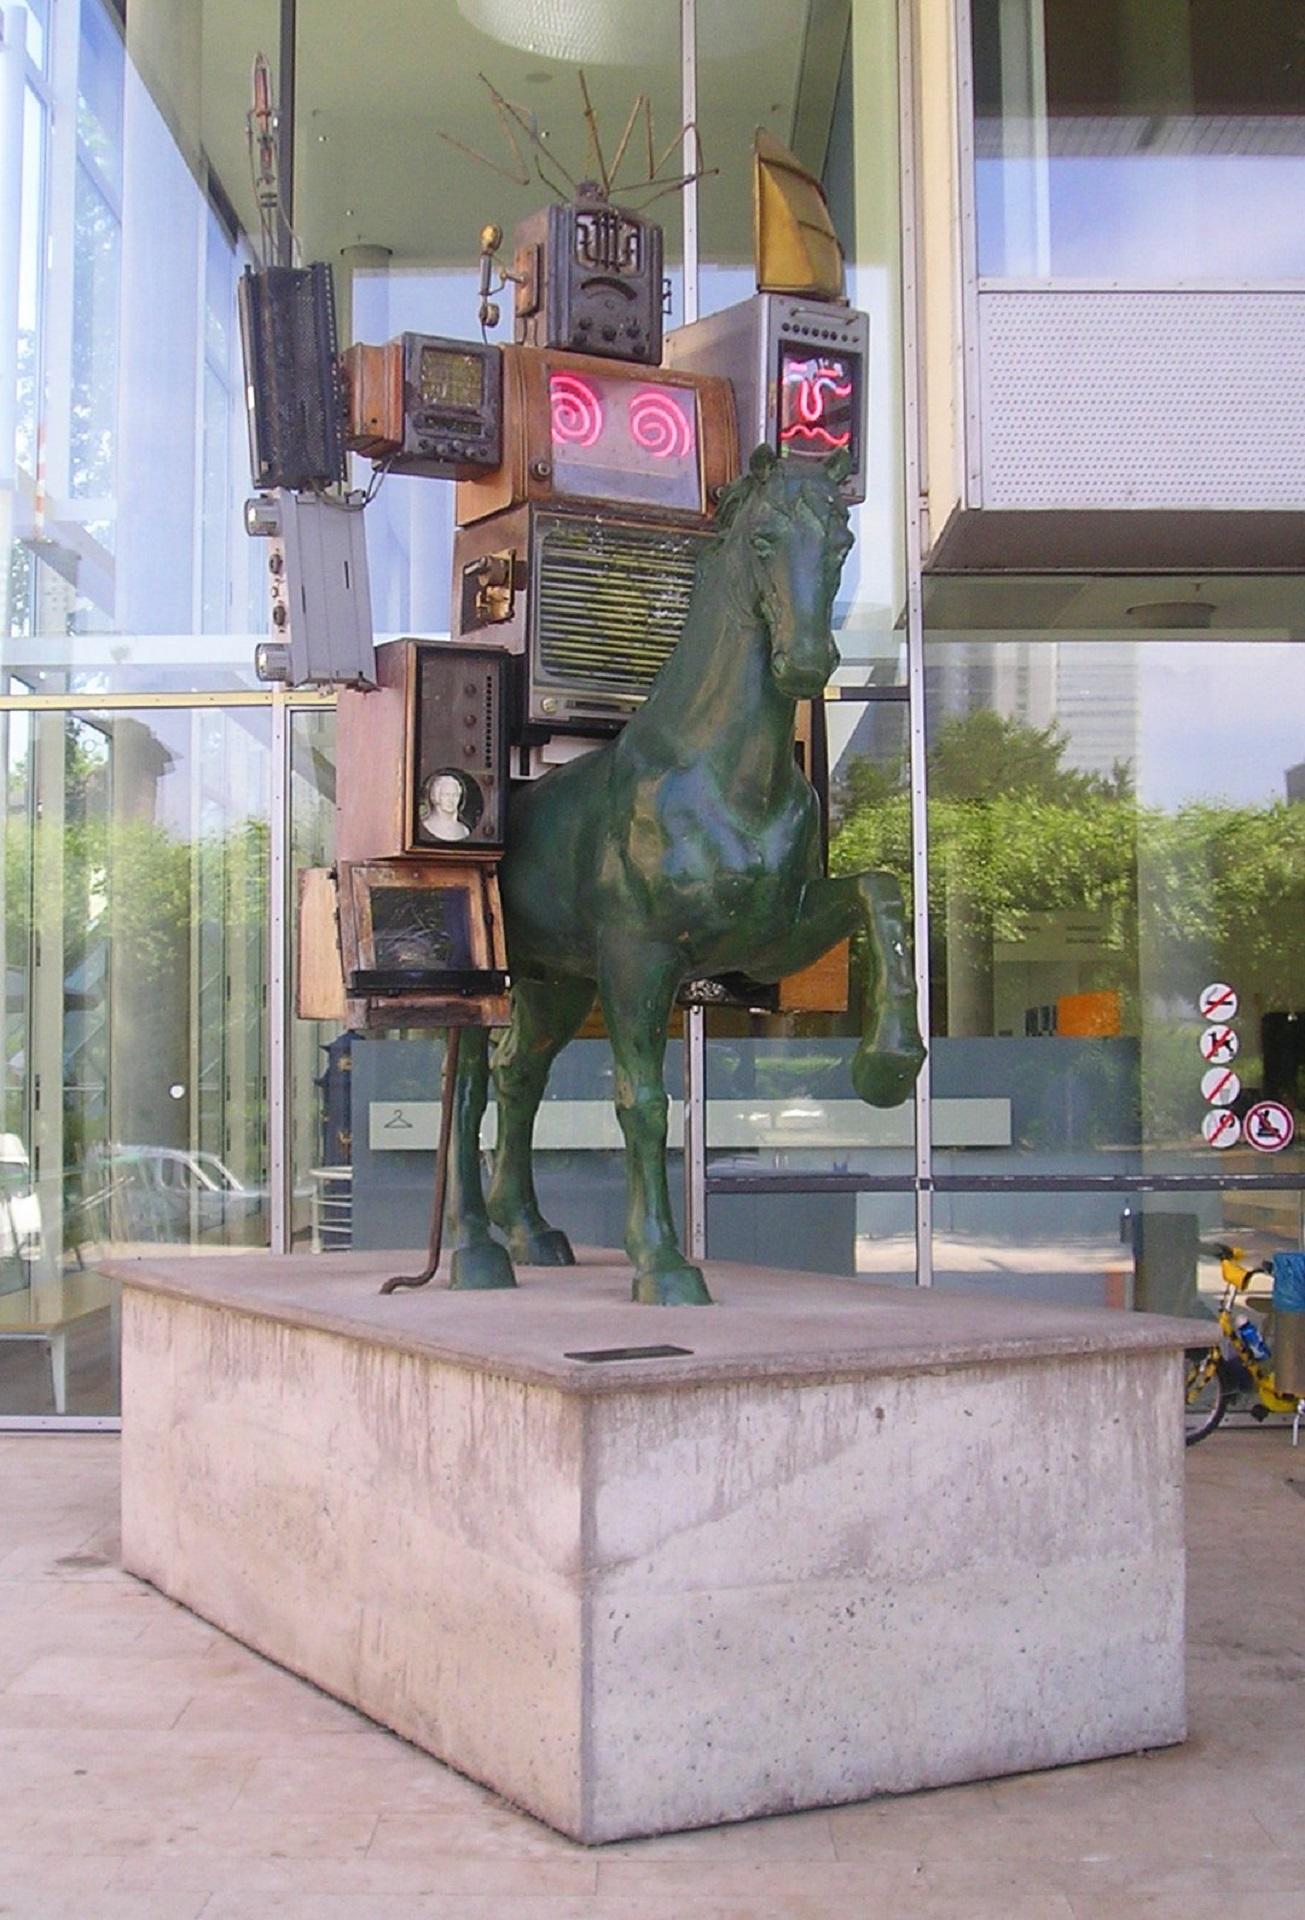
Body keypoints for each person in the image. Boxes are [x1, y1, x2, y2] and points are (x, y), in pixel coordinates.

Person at [421, 770, 473, 843]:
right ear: (436, 796)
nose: (451, 800)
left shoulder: (464, 830)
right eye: (446, 795)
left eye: (455, 795)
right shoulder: (427, 825)